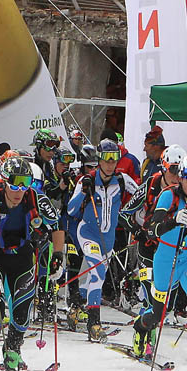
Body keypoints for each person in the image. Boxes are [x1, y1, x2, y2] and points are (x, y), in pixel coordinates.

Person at [0, 155, 64, 371]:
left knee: (22, 312)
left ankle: (12, 351)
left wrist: (57, 254)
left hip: (21, 257)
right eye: (14, 184)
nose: (19, 191)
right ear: (4, 181)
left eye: (25, 183)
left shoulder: (35, 199)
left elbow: (57, 226)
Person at [130, 150, 187, 371]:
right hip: (165, 257)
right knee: (159, 313)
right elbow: (152, 230)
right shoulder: (169, 196)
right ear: (181, 179)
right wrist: (171, 222)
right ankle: (141, 327)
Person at [66, 137, 139, 342]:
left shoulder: (122, 180)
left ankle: (76, 306)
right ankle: (94, 324)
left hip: (108, 239)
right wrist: (83, 191)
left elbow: (143, 194)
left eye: (114, 159)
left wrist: (132, 213)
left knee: (92, 278)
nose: (110, 163)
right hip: (88, 233)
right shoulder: (87, 179)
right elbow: (71, 209)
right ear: (99, 159)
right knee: (98, 274)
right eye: (106, 158)